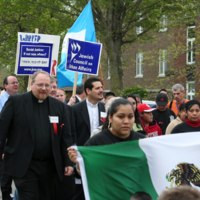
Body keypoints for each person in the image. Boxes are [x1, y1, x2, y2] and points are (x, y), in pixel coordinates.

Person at [0, 70, 74, 200]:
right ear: (32, 84)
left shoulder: (59, 106)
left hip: (50, 167)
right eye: (40, 85)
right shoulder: (16, 102)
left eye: (47, 85)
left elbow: (65, 136)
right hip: (25, 165)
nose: (44, 88)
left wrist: (68, 162)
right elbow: (2, 131)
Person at [71, 76, 106, 200]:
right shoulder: (75, 109)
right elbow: (71, 134)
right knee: (80, 192)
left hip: (100, 155)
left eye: (102, 87)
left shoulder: (104, 108)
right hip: (81, 155)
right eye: (97, 88)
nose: (101, 90)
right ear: (88, 91)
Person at [0, 75, 19, 200]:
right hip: (5, 144)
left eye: (17, 82)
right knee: (5, 176)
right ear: (5, 86)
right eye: (13, 83)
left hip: (16, 143)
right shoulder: (1, 100)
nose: (16, 84)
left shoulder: (20, 99)